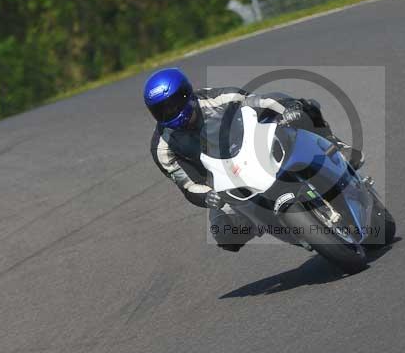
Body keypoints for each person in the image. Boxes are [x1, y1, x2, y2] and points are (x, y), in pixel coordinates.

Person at [145, 67, 363, 252]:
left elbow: (262, 101)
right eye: (161, 110)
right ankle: (287, 228)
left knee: (300, 107)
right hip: (227, 186)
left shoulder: (218, 99)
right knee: (225, 234)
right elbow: (187, 184)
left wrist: (289, 108)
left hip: (255, 151)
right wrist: (208, 197)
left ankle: (335, 144)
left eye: (172, 105)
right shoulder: (162, 147)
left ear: (186, 94)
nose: (169, 112)